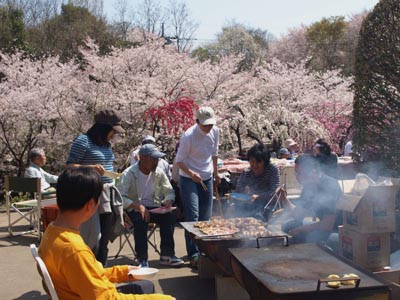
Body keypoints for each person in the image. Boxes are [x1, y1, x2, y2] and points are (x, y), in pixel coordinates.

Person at [38, 166, 174, 300]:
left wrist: (125, 272)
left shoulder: (52, 231)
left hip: (76, 291)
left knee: (145, 285)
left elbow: (89, 273)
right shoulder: (74, 250)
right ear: (91, 204)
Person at [66, 109, 125, 266]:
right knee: (91, 238)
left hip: (107, 194)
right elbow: (69, 167)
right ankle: (86, 273)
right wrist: (90, 167)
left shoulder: (107, 145)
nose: (114, 134)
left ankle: (101, 272)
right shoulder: (83, 141)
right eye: (113, 131)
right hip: (89, 193)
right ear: (103, 128)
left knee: (104, 239)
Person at [118, 144, 183, 268]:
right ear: (142, 158)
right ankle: (142, 258)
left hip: (154, 207)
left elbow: (169, 191)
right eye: (153, 159)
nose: (156, 162)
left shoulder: (158, 172)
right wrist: (137, 206)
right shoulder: (129, 174)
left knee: (169, 216)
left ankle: (167, 255)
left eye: (157, 159)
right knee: (140, 219)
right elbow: (120, 197)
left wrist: (168, 201)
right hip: (134, 208)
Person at [175, 106, 221, 268]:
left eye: (210, 124)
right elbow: (179, 161)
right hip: (189, 178)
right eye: (205, 125)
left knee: (206, 215)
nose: (208, 128)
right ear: (197, 122)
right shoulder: (189, 136)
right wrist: (191, 173)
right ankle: (193, 254)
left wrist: (216, 173)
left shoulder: (215, 131)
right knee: (193, 215)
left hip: (207, 176)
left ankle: (205, 250)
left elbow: (214, 153)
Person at [280, 154, 342, 244]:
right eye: (296, 173)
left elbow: (328, 224)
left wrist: (302, 229)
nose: (296, 176)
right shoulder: (308, 187)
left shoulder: (329, 185)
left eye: (299, 173)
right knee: (288, 226)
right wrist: (284, 199)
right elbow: (298, 215)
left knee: (309, 236)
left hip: (335, 230)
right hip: (323, 226)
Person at [234, 143, 280, 218]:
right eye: (252, 161)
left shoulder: (272, 170)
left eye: (258, 162)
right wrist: (234, 200)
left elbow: (274, 192)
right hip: (252, 205)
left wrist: (259, 196)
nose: (254, 165)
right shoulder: (247, 172)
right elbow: (239, 190)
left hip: (269, 206)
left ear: (265, 162)